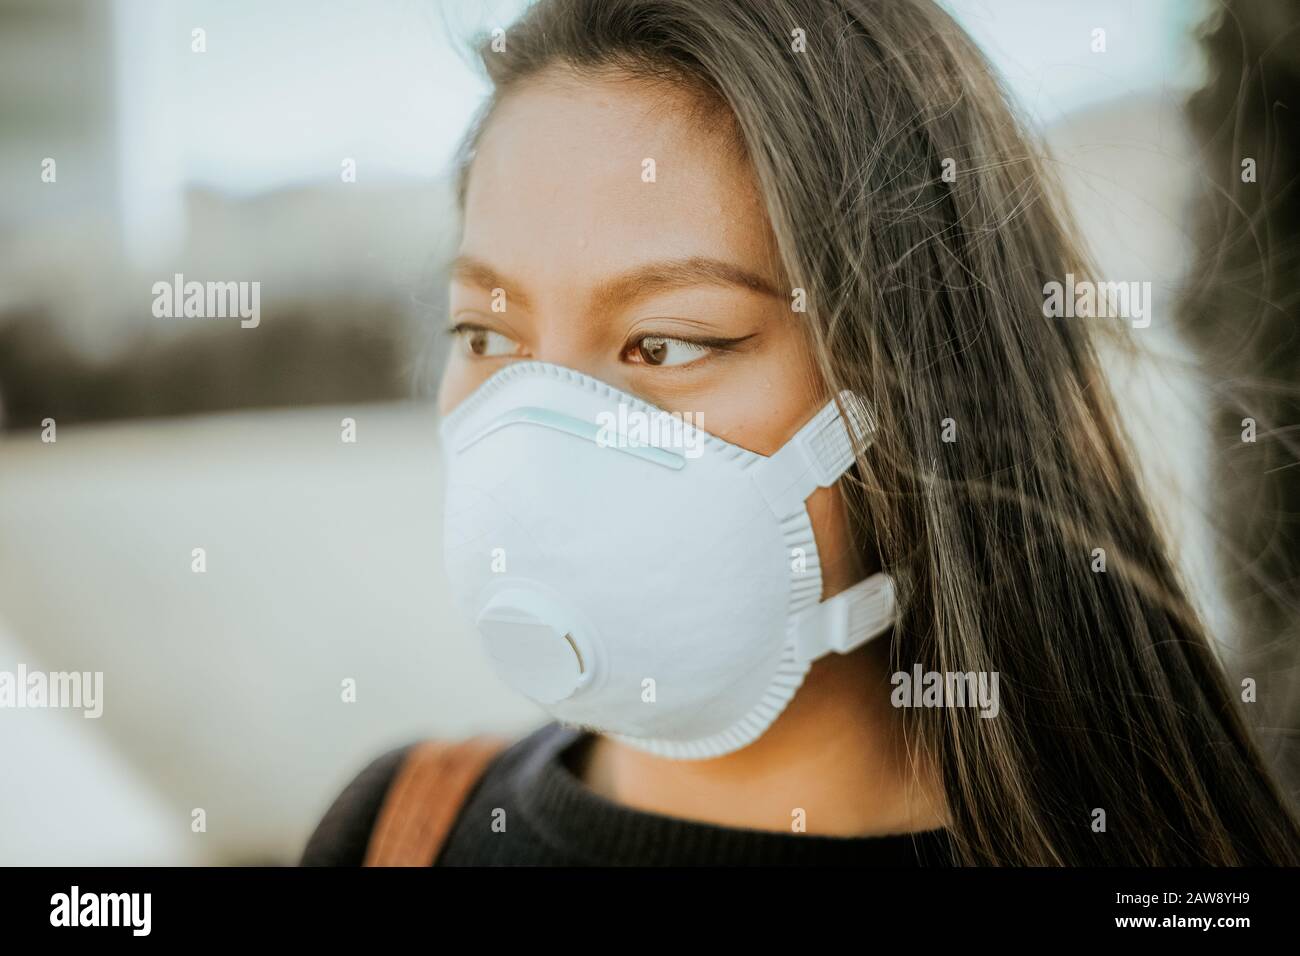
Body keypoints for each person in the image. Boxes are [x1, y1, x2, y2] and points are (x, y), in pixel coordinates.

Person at [302, 0, 1300, 867]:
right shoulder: (397, 827)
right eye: (484, 331)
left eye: (665, 340)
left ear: (912, 387)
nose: (536, 427)